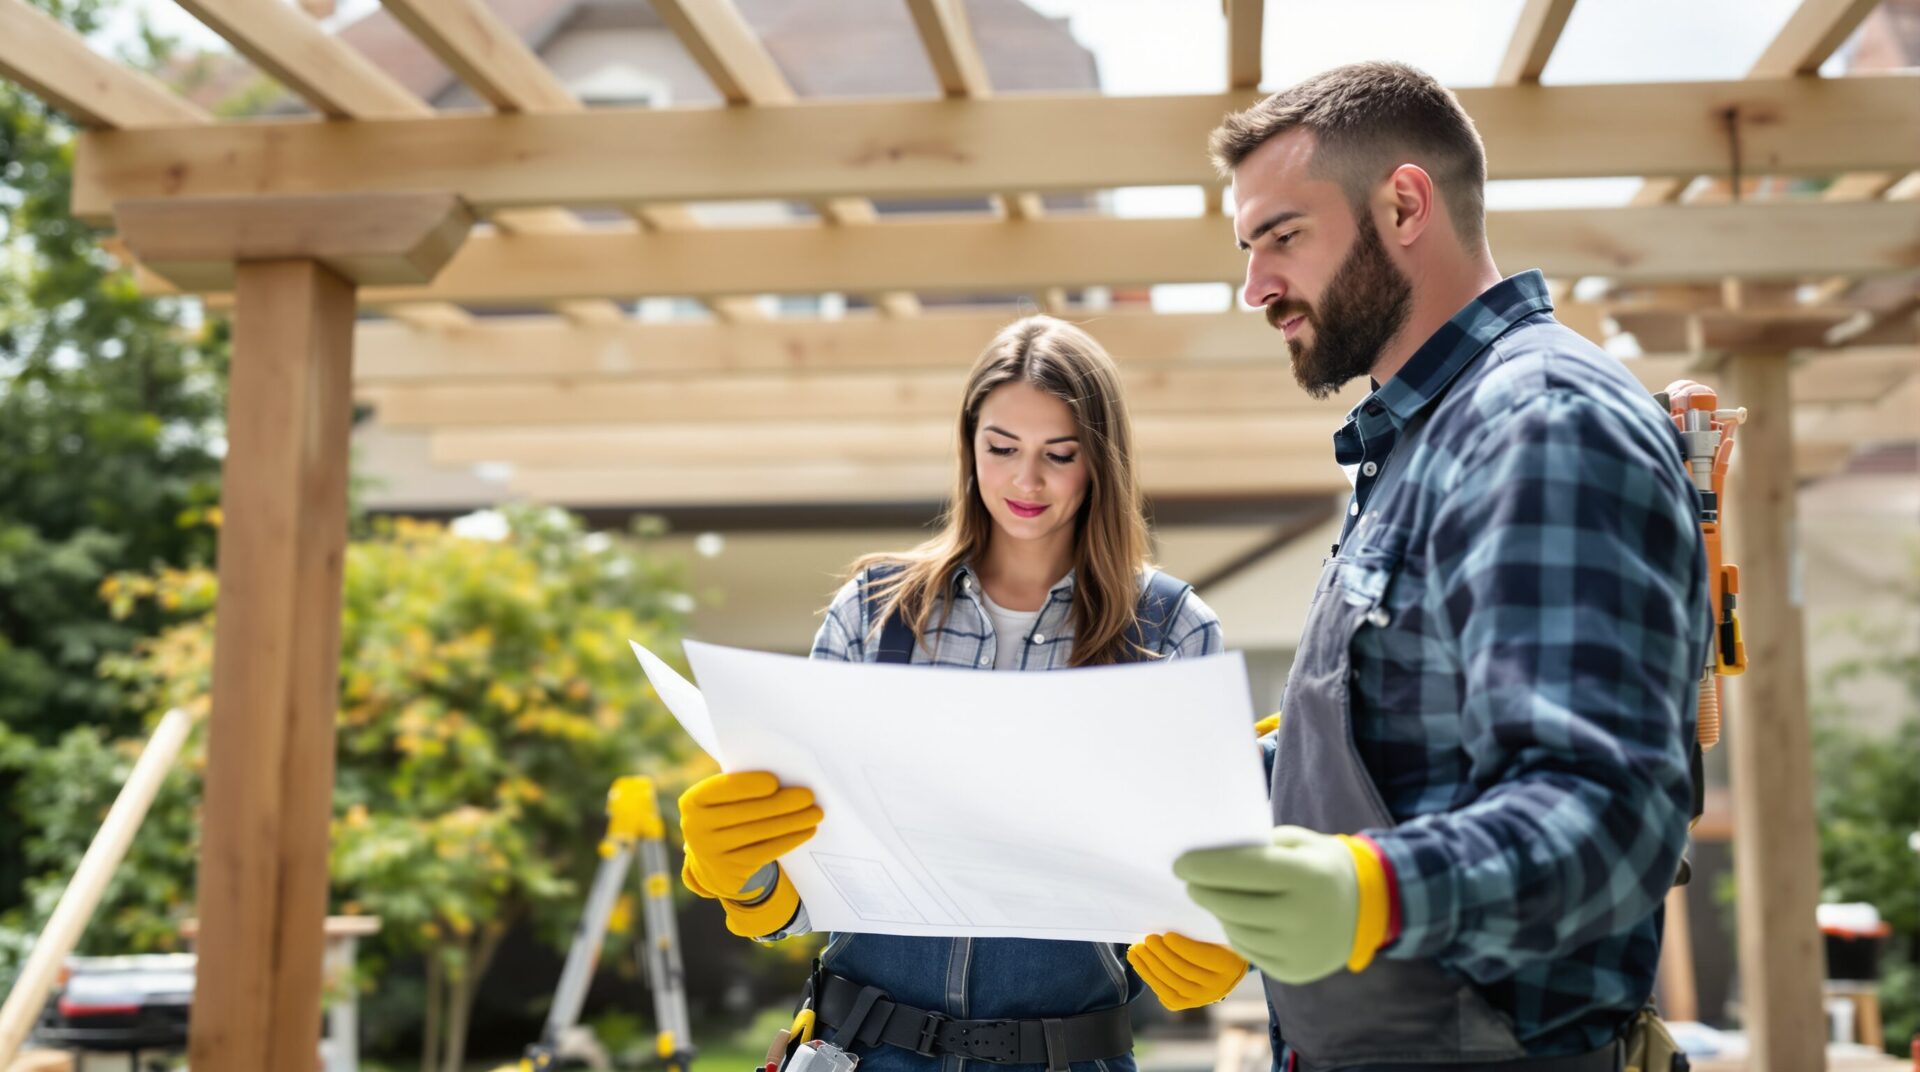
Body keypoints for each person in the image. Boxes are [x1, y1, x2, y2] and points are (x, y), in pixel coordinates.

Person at [1173, 62, 1710, 1071]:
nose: (1256, 288)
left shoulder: (1541, 422)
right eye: (1248, 251)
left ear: (1405, 203)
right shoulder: (1423, 446)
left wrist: (1376, 894)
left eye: (1281, 237)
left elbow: (1607, 813)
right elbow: (1398, 759)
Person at [677, 315, 1247, 1072]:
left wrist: (1225, 934)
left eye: (1060, 455)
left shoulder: (1169, 631)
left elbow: (1213, 870)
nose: (1026, 481)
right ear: (968, 446)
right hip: (861, 1051)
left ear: (1100, 462)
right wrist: (742, 875)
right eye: (1001, 448)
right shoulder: (875, 613)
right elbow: (798, 892)